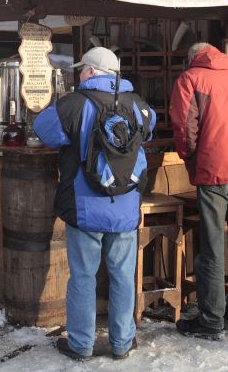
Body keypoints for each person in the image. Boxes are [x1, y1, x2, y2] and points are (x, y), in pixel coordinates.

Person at [34, 47, 156, 361]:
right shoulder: (137, 103)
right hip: (124, 206)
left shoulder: (75, 103)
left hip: (85, 206)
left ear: (91, 71)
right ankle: (122, 342)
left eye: (82, 69)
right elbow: (149, 130)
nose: (79, 74)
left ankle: (81, 345)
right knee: (122, 277)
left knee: (83, 277)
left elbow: (43, 130)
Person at [169, 42, 228, 340]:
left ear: (191, 58)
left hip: (213, 170)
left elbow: (185, 129)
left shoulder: (190, 78)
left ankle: (211, 320)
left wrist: (191, 160)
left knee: (212, 245)